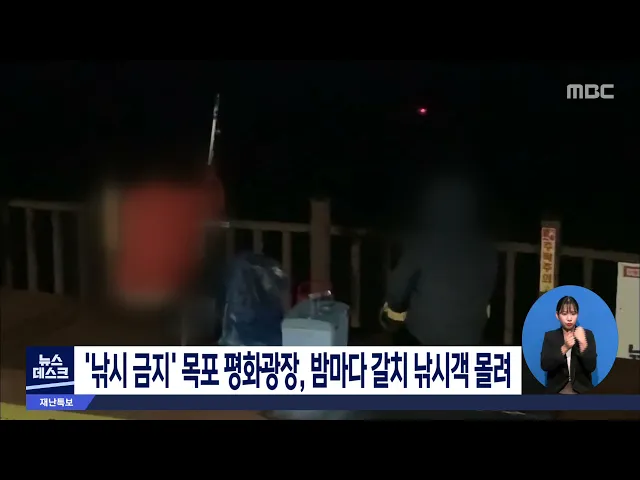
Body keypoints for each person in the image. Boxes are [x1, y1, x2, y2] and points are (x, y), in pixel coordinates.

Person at [382, 162, 497, 347]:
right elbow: (489, 289)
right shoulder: (485, 245)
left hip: (425, 337)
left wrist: (391, 313)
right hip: (470, 337)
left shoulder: (423, 240)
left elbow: (397, 288)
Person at [541, 296, 597, 394]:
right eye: (564, 314)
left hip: (582, 390)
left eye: (573, 313)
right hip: (557, 390)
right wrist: (565, 348)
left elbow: (591, 367)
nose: (569, 318)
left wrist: (583, 343)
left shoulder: (587, 334)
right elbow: (545, 365)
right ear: (557, 315)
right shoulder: (550, 336)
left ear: (577, 314)